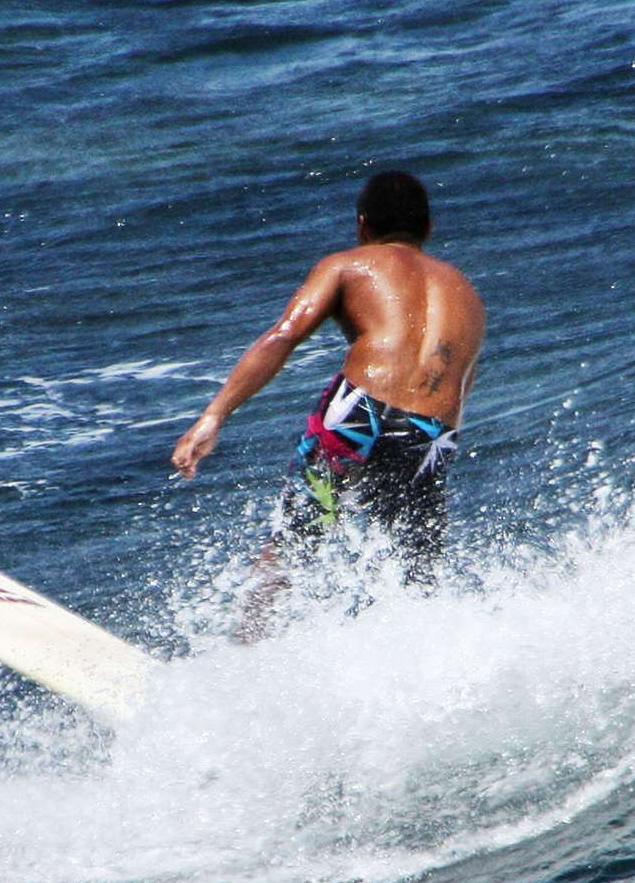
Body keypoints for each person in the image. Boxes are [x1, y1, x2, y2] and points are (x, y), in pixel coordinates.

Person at [169, 171, 486, 631]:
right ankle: (415, 674)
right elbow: (460, 389)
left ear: (362, 226)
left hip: (357, 413)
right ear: (429, 229)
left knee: (293, 546)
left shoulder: (348, 264)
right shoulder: (467, 295)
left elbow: (284, 335)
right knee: (415, 570)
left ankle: (245, 656)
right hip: (430, 433)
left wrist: (213, 417)